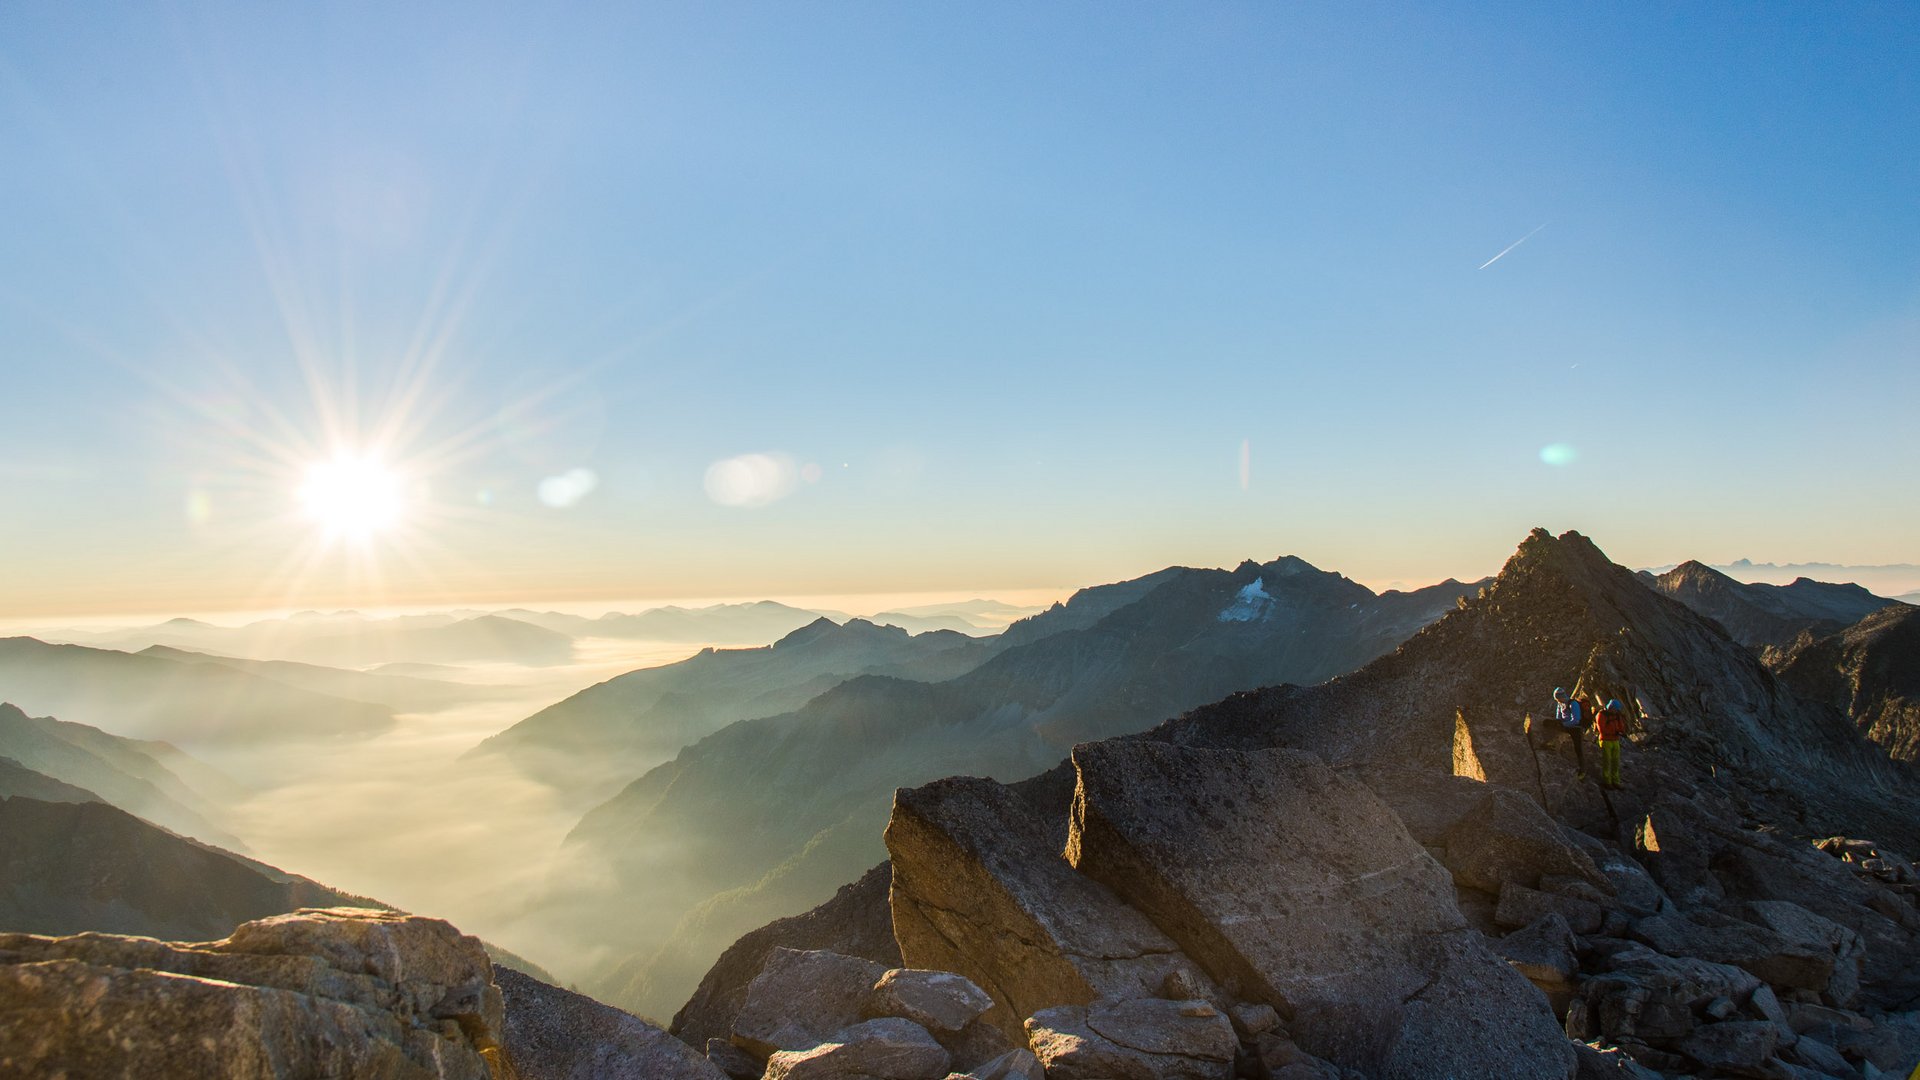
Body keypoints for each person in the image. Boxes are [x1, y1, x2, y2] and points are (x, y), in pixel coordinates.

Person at [1553, 687, 1587, 778]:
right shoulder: (1560, 704)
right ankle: (1552, 743)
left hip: (1575, 728)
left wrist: (1563, 724)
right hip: (1566, 726)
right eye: (1556, 699)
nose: (1558, 700)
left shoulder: (1573, 704)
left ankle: (1582, 770)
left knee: (1578, 749)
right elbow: (1558, 717)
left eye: (1558, 698)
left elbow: (1576, 720)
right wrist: (1559, 723)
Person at [1596, 698, 1628, 789]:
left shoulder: (1617, 715)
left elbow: (1621, 725)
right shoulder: (1601, 715)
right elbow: (1601, 730)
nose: (1616, 711)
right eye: (1615, 709)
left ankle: (1616, 781)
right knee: (1607, 761)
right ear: (1611, 707)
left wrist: (1621, 731)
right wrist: (1614, 732)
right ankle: (1607, 782)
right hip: (1605, 740)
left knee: (1615, 761)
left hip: (1615, 740)